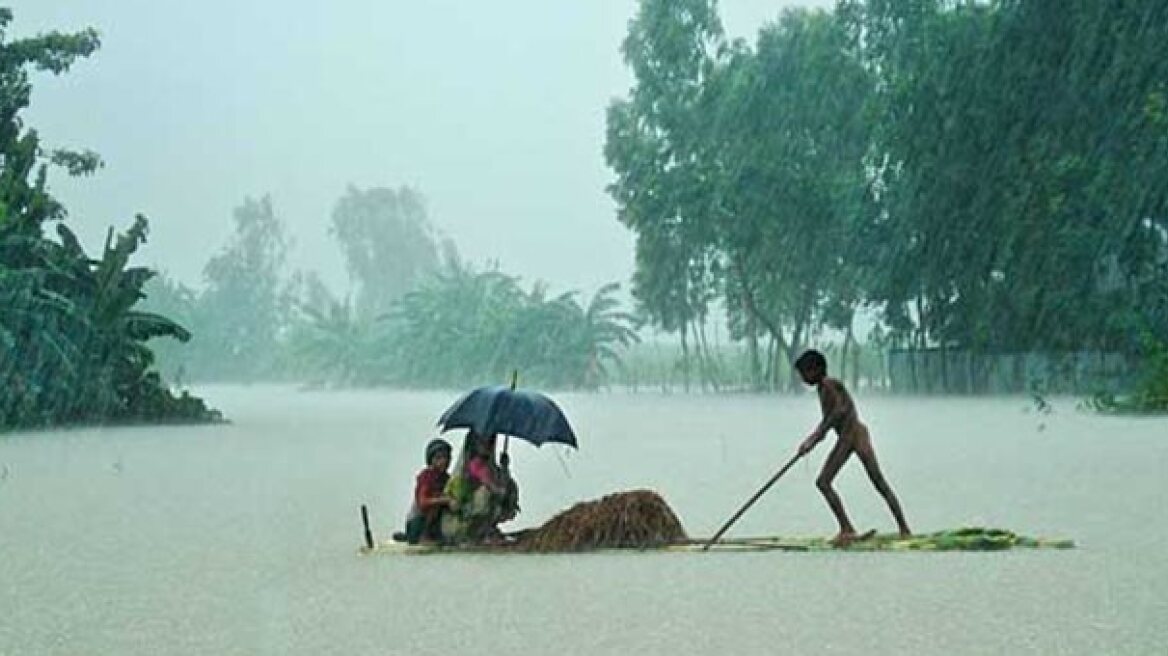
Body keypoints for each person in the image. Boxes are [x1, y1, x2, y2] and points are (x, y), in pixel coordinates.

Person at [794, 349, 911, 545]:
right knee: (834, 483)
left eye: (805, 373)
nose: (804, 379)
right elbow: (828, 421)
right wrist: (812, 440)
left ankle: (850, 529)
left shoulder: (830, 385)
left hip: (853, 435)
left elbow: (839, 411)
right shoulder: (822, 389)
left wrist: (814, 437)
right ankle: (900, 528)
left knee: (826, 482)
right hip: (851, 435)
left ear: (816, 370)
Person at [442, 431, 520, 544]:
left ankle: (488, 529)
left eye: (490, 442)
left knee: (510, 486)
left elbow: (502, 482)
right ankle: (479, 532)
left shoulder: (490, 465)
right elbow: (488, 482)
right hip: (465, 510)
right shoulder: (474, 464)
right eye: (483, 442)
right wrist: (498, 490)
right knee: (486, 493)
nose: (487, 445)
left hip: (479, 507)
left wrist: (505, 467)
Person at [403, 438, 453, 545]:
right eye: (439, 458)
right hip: (417, 524)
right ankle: (422, 537)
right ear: (431, 460)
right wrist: (444, 500)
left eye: (446, 457)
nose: (444, 461)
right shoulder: (427, 476)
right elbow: (423, 502)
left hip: (435, 524)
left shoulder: (446, 478)